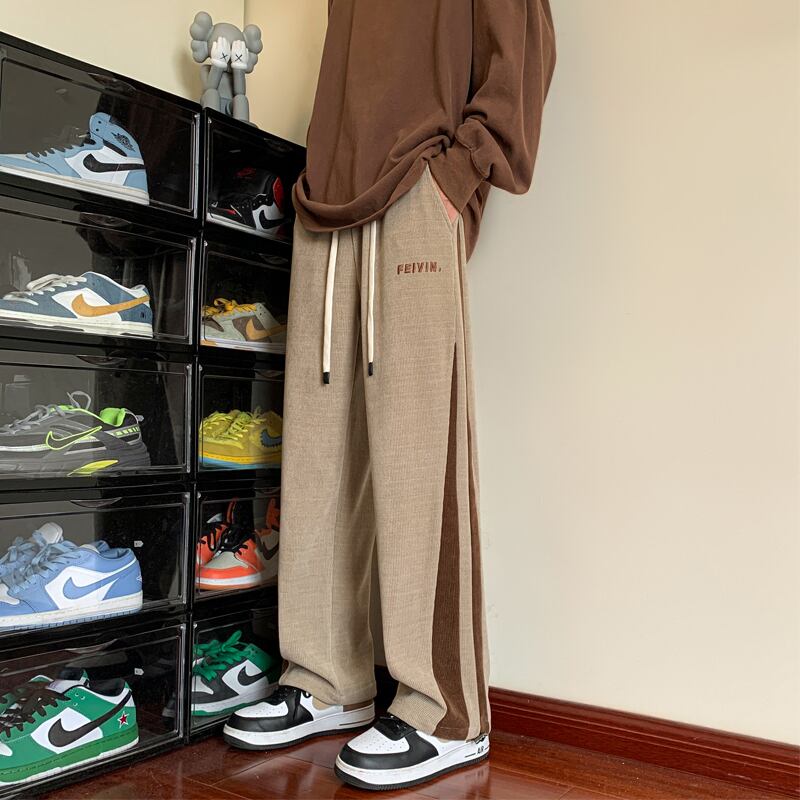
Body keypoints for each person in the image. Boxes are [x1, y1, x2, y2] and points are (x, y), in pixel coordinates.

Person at [224, 0, 556, 790]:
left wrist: (456, 175)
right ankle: (326, 679)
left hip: (416, 188)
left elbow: (525, 51)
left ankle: (446, 711)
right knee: (318, 458)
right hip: (325, 204)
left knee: (417, 456)